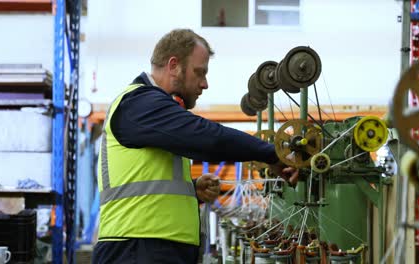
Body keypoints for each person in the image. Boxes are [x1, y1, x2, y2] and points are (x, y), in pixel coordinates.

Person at [92, 28, 299, 264]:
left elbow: (146, 185)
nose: (205, 84)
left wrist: (191, 190)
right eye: (199, 73)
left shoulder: (150, 112)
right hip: (136, 249)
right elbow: (208, 138)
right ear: (173, 65)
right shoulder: (139, 104)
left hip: (149, 248)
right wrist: (272, 154)